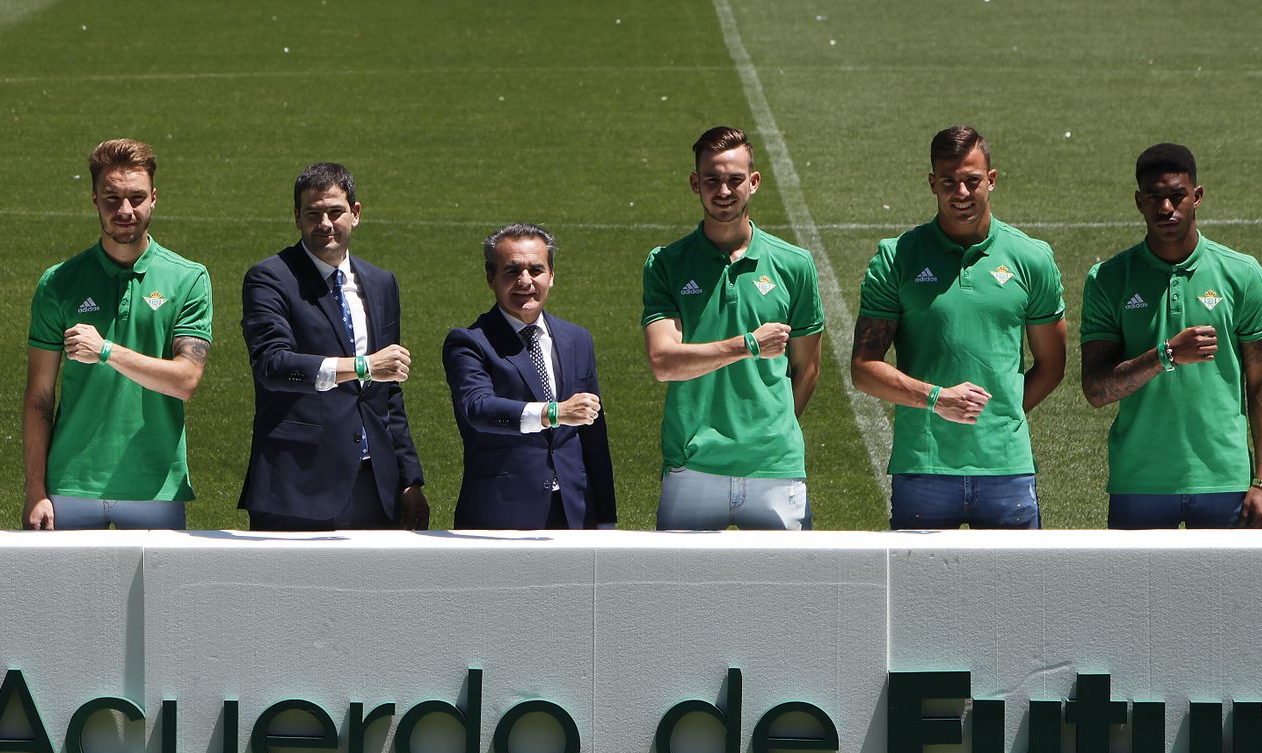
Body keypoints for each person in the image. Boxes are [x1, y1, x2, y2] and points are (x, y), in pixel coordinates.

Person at [851, 125, 1066, 529]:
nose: (961, 194)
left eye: (972, 181)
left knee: (1015, 592)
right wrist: (936, 399)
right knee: (919, 594)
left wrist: (1002, 414)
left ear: (992, 180)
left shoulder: (1032, 258)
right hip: (923, 469)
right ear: (932, 183)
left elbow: (1052, 364)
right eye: (949, 182)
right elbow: (863, 368)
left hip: (1007, 469)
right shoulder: (896, 258)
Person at [1080, 143, 1262, 528]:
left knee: (1226, 591)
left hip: (1225, 481)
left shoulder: (1242, 274)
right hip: (1139, 482)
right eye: (1154, 197)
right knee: (1136, 592)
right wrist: (1165, 355)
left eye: (1176, 196)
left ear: (1197, 197)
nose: (1166, 208)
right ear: (1139, 202)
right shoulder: (1108, 279)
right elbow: (1096, 390)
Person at [23, 139, 213, 530]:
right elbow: (39, 396)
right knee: (63, 594)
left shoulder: (188, 279)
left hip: (155, 487)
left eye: (136, 198)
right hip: (70, 486)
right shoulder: (59, 282)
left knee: (161, 595)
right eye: (112, 198)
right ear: (94, 199)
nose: (125, 210)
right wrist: (35, 489)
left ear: (154, 198)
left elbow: (186, 380)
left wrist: (106, 351)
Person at [641, 126, 824, 530]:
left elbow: (807, 369)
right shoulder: (666, 264)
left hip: (775, 468)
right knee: (679, 591)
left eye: (735, 179)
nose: (723, 190)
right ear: (695, 184)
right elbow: (664, 363)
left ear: (754, 182)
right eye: (712, 180)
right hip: (693, 466)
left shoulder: (795, 264)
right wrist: (749, 345)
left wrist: (772, 430)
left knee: (790, 591)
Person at [239, 162, 427, 530]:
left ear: (355, 214)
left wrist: (409, 480)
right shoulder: (270, 278)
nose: (324, 223)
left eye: (335, 212)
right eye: (313, 213)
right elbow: (272, 364)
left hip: (375, 484)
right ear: (297, 218)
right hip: (299, 483)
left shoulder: (381, 283)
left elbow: (390, 393)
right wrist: (363, 367)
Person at [443, 224, 616, 529]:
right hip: (501, 513)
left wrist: (605, 518)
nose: (525, 281)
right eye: (512, 271)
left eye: (536, 270)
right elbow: (477, 408)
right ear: (490, 277)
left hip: (574, 512)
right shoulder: (469, 342)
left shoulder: (577, 339)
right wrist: (555, 412)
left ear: (552, 275)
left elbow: (593, 435)